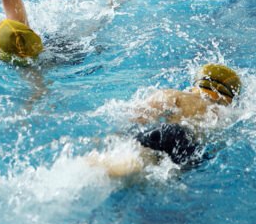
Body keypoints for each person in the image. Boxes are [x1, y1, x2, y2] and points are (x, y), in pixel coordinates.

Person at [86, 64, 242, 176]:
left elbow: (139, 116)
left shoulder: (176, 95)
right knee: (158, 174)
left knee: (136, 161)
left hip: (169, 131)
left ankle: (92, 166)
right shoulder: (225, 113)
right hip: (190, 147)